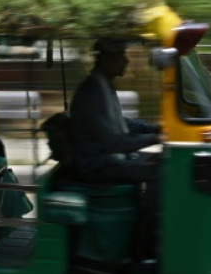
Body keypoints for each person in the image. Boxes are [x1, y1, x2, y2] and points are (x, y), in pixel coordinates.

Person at [69, 38, 161, 184]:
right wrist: (156, 138)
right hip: (97, 165)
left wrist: (156, 129)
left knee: (162, 161)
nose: (126, 61)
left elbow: (120, 122)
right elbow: (114, 143)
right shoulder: (92, 92)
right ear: (106, 60)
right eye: (121, 56)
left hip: (107, 158)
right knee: (161, 171)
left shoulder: (103, 85)